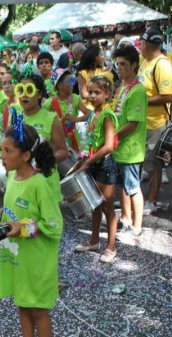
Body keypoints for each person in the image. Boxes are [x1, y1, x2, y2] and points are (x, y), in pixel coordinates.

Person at [0, 123, 63, 337]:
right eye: (1, 149)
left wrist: (21, 227)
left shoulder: (39, 184)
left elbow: (54, 225)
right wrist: (1, 213)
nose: (1, 155)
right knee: (22, 304)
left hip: (35, 263)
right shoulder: (12, 176)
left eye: (7, 151)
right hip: (17, 258)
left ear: (25, 155)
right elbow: (18, 205)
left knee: (38, 311)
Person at [74, 75, 119, 263]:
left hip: (105, 165)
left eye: (97, 92)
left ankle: (111, 247)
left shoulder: (107, 115)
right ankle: (94, 241)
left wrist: (88, 161)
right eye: (90, 92)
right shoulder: (93, 114)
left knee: (108, 208)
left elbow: (109, 146)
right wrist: (83, 159)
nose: (92, 96)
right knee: (95, 204)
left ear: (107, 94)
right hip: (92, 162)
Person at [111, 45, 148, 244]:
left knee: (133, 188)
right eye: (118, 64)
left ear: (134, 65)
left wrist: (113, 136)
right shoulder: (123, 86)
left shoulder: (137, 90)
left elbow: (133, 123)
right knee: (123, 187)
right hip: (120, 148)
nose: (120, 68)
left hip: (131, 149)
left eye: (124, 64)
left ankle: (137, 227)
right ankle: (125, 221)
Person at [16, 73, 68, 203]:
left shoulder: (50, 119)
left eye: (29, 90)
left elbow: (63, 151)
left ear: (39, 94)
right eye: (21, 90)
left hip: (46, 183)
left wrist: (44, 161)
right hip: (22, 185)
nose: (24, 95)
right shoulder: (16, 119)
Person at [137, 27, 172, 214]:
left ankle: (152, 201)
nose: (140, 46)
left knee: (153, 164)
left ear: (148, 44)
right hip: (142, 122)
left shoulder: (162, 64)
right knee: (147, 164)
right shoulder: (145, 61)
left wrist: (141, 100)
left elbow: (168, 96)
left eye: (141, 42)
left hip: (156, 124)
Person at [43, 68, 91, 152]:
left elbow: (90, 114)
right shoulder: (49, 102)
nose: (72, 84)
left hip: (74, 143)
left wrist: (75, 119)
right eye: (69, 81)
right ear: (60, 85)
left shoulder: (75, 98)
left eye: (73, 80)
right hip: (56, 145)